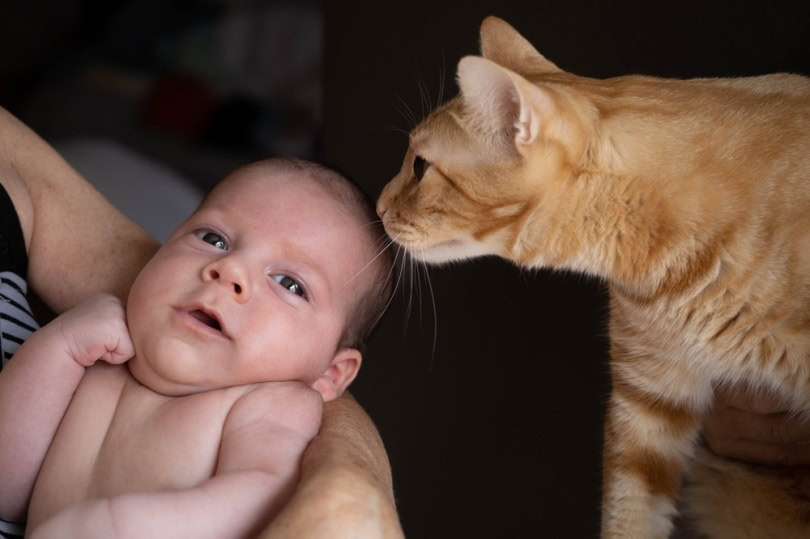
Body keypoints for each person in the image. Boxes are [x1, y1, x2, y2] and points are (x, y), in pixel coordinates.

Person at [0, 107, 404, 538]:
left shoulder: (268, 405)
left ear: (330, 374)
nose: (230, 271)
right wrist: (59, 348)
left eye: (289, 283)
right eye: (214, 239)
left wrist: (118, 526)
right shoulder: (97, 359)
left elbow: (255, 496)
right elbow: (7, 487)